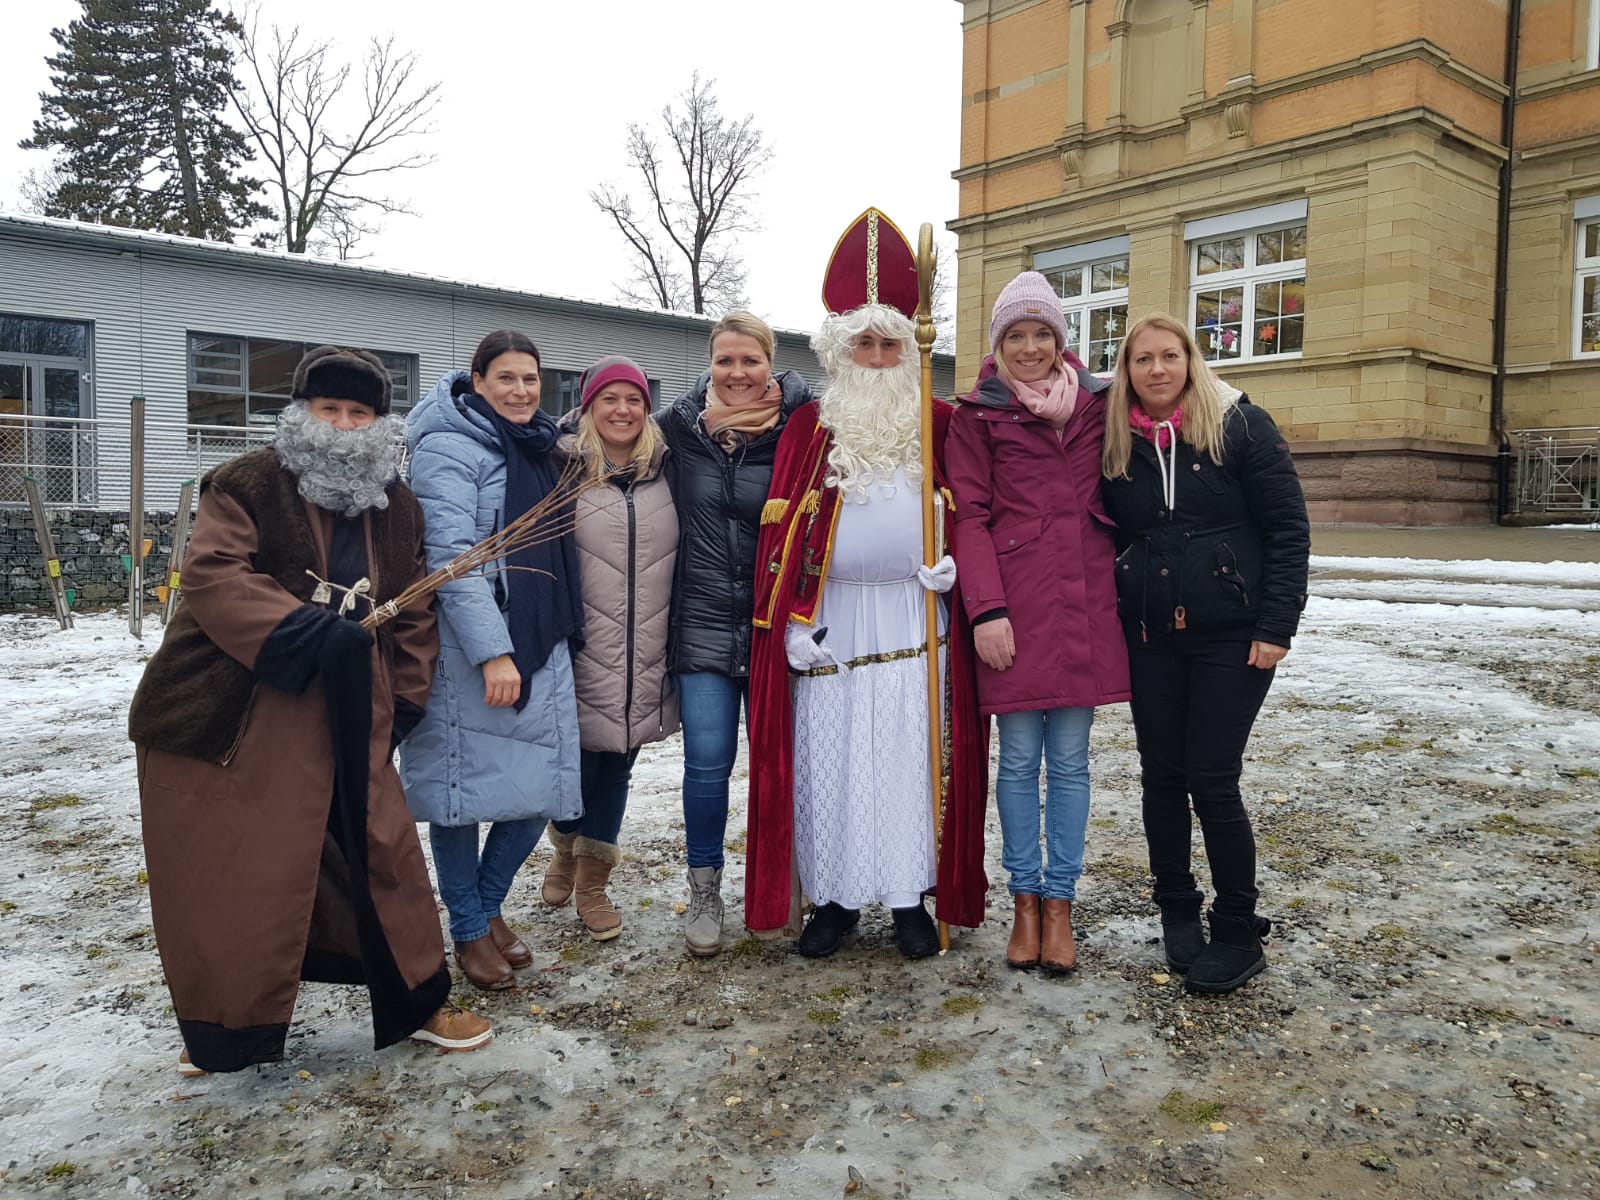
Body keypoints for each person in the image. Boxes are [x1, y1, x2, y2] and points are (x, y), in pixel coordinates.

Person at [129, 346, 491, 1076]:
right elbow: (213, 573)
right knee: (240, 868)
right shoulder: (248, 483)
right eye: (331, 410)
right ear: (303, 414)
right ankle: (225, 1027)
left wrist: (407, 699)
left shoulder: (400, 504)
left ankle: (419, 1001)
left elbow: (415, 615)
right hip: (242, 710)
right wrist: (309, 632)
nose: (345, 426)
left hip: (356, 712)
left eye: (361, 414)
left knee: (386, 853)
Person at [745, 209, 988, 958]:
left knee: (913, 763)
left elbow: (975, 511)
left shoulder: (942, 423)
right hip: (833, 626)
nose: (878, 357)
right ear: (840, 349)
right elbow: (779, 540)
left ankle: (911, 895)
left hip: (918, 619)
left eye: (889, 343)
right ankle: (837, 902)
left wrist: (958, 569)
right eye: (865, 343)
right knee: (833, 763)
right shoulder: (807, 429)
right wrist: (787, 624)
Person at [1100, 312, 1309, 994]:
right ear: (1126, 372)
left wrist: (1276, 627)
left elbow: (1287, 531)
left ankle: (1239, 928)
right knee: (1161, 776)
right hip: (1151, 636)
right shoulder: (1116, 444)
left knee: (1211, 777)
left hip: (1233, 634)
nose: (1157, 369)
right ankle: (1177, 909)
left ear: (1191, 360)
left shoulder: (1242, 425)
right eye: (1142, 359)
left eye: (1170, 355)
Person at [945, 271, 1131, 975]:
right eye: (1015, 336)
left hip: (1085, 601)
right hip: (1014, 609)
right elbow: (971, 518)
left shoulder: (1098, 404)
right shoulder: (979, 414)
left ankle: (1061, 904)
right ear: (999, 344)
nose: (1029, 348)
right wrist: (985, 610)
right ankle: (1024, 899)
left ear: (1061, 340)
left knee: (1073, 762)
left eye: (1041, 334)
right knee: (1020, 761)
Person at [401, 330, 583, 991]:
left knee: (537, 787)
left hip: (539, 635)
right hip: (472, 650)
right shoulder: (448, 446)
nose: (520, 391)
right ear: (476, 381)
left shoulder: (537, 442)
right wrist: (493, 652)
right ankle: (470, 931)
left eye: (530, 379)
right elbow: (449, 557)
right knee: (463, 795)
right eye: (505, 378)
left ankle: (486, 905)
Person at [660, 313, 812, 955]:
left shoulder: (803, 432)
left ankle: (795, 885)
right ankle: (704, 889)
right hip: (700, 626)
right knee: (706, 767)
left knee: (784, 766)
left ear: (770, 363)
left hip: (775, 626)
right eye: (726, 361)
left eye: (750, 360)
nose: (738, 373)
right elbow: (603, 442)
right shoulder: (679, 429)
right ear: (710, 363)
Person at [540, 355, 679, 940]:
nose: (622, 410)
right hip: (581, 646)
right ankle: (566, 846)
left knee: (619, 763)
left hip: (648, 646)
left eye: (633, 400)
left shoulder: (668, 468)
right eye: (609, 400)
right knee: (574, 767)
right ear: (589, 407)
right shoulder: (560, 469)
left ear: (647, 409)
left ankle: (593, 885)